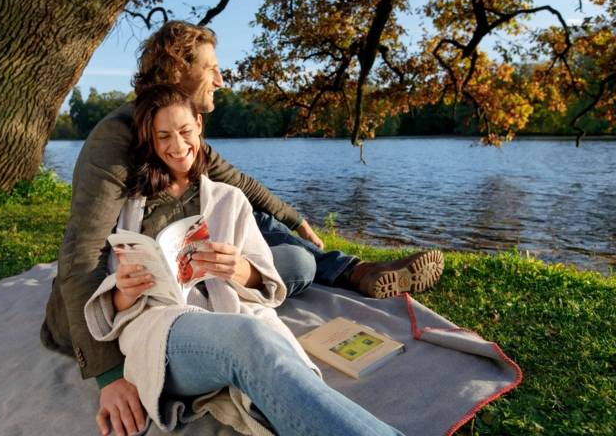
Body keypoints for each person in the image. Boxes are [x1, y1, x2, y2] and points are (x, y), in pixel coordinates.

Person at [41, 20, 442, 435]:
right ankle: (350, 273)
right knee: (253, 332)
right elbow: (82, 254)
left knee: (295, 259)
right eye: (211, 67)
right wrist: (109, 374)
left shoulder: (188, 133)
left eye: (184, 134)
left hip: (205, 286)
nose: (220, 78)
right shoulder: (119, 138)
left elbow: (240, 184)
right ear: (179, 68)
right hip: (145, 301)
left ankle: (352, 270)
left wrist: (294, 221)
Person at [82, 84, 405, 435]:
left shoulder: (229, 199)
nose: (177, 146)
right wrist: (126, 292)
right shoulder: (130, 207)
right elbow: (112, 299)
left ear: (199, 127)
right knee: (250, 339)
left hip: (229, 313)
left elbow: (264, 279)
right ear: (151, 140)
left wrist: (240, 270)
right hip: (163, 329)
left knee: (266, 346)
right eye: (164, 137)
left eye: (185, 132)